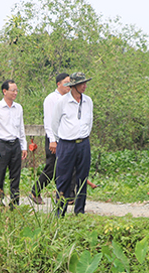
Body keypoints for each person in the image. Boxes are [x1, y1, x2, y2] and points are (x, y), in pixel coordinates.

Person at [51, 72, 94, 216]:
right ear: (74, 86)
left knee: (82, 177)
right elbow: (54, 124)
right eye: (82, 84)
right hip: (66, 144)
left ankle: (79, 211)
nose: (84, 86)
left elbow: (90, 121)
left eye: (85, 83)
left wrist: (83, 135)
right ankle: (60, 211)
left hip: (83, 143)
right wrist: (61, 139)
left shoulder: (88, 101)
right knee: (64, 178)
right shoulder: (62, 102)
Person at [30, 73, 70, 205]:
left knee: (69, 166)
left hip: (66, 137)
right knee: (51, 167)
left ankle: (67, 195)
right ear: (58, 84)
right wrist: (52, 140)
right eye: (66, 82)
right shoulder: (51, 99)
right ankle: (35, 191)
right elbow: (48, 121)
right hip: (54, 138)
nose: (68, 85)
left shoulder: (70, 98)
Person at [0, 80, 27, 208]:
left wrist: (23, 146)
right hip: (1, 144)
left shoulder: (18, 107)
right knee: (0, 174)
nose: (15, 93)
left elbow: (21, 128)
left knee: (15, 174)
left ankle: (15, 201)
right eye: (13, 90)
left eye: (16, 90)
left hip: (15, 144)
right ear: (5, 91)